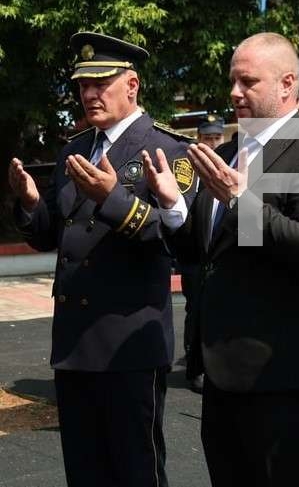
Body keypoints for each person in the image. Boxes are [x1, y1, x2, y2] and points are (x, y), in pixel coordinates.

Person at [8, 32, 197, 487]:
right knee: (85, 470)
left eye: (100, 84)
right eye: (82, 86)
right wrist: (30, 203)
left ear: (131, 85)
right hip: (74, 341)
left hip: (128, 340)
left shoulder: (168, 150)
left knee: (136, 470)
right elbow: (52, 234)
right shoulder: (74, 149)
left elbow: (174, 239)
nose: (89, 94)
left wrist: (113, 197)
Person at [157, 32, 299, 486]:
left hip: (284, 373)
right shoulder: (226, 154)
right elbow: (203, 253)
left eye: (248, 81)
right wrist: (173, 207)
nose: (235, 92)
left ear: (287, 84)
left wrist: (240, 201)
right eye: (233, 81)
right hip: (222, 373)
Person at [179, 114, 226, 393]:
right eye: (207, 138)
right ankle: (194, 364)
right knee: (195, 309)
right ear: (198, 139)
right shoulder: (189, 167)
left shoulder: (230, 165)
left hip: (220, 255)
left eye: (216, 137)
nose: (212, 143)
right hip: (194, 254)